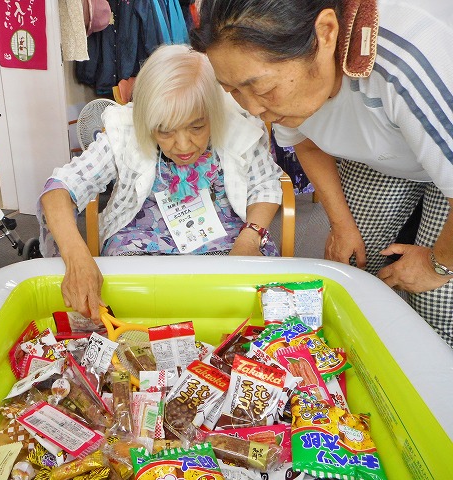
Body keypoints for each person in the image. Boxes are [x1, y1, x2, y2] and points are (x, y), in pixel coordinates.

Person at [191, 0, 453, 347]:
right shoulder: (288, 93)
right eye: (233, 90)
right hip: (388, 151)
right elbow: (307, 144)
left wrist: (436, 264)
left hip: (438, 155)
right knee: (353, 260)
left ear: (326, 33)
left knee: (435, 300)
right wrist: (341, 225)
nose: (254, 110)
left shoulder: (407, 64)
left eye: (264, 89)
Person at [38, 44, 283, 321]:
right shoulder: (126, 131)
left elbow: (266, 184)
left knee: (250, 307)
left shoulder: (237, 126)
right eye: (165, 131)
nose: (183, 145)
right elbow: (59, 188)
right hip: (140, 245)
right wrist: (77, 258)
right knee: (128, 308)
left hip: (229, 240)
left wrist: (250, 238)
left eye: (197, 127)